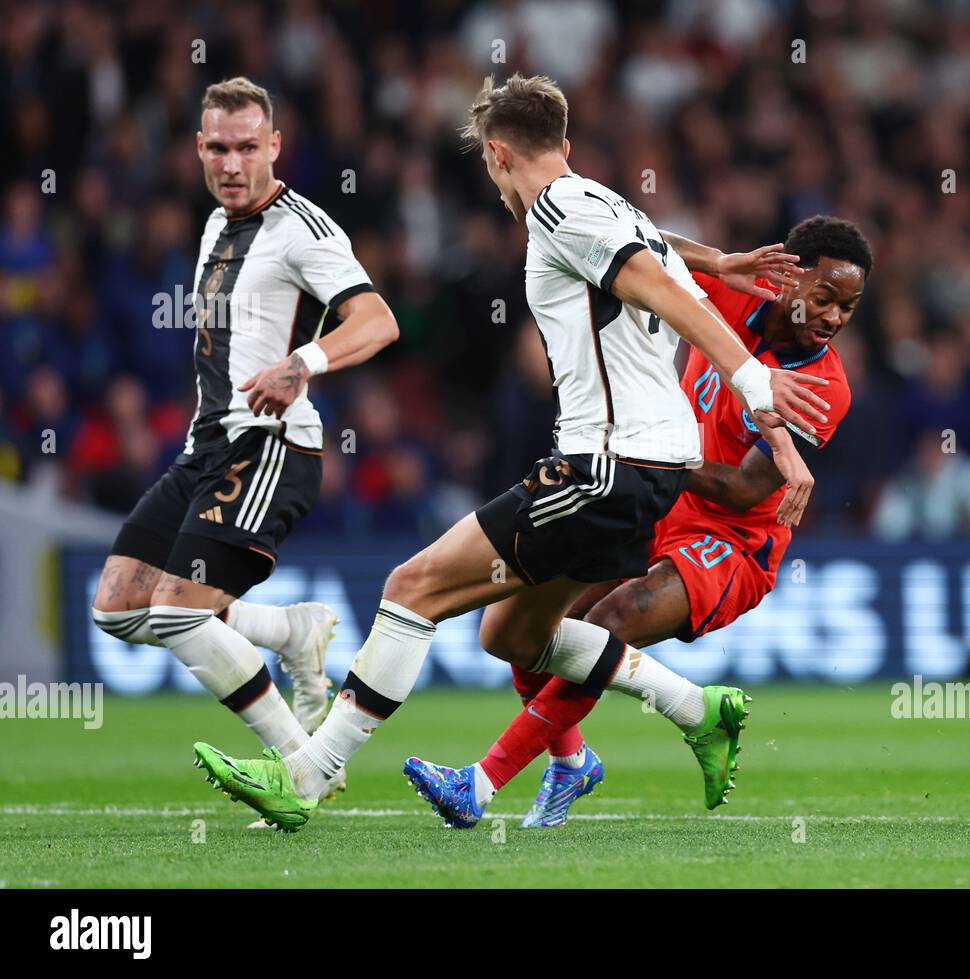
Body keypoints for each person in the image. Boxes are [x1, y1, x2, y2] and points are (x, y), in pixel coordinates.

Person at [192, 73, 831, 832]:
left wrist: (756, 384)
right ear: (562, 144)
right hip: (647, 475)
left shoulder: (561, 211)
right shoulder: (600, 200)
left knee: (412, 585)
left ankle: (306, 774)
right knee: (512, 635)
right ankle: (697, 707)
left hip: (604, 467)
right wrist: (718, 260)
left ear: (497, 155)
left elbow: (655, 282)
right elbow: (654, 250)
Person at [487, 216, 871, 826]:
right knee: (534, 620)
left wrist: (647, 450)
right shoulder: (732, 292)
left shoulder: (823, 386)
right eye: (824, 298)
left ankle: (483, 781)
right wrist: (718, 260)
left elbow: (745, 489)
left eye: (848, 307)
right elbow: (635, 239)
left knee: (610, 621)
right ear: (788, 278)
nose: (833, 318)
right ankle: (571, 763)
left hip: (734, 544)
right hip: (657, 503)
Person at [90, 77, 399, 787]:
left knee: (174, 615)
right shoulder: (215, 225)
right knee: (116, 608)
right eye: (220, 149)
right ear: (199, 148)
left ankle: (304, 770)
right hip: (207, 448)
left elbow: (379, 320)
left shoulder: (305, 230)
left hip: (271, 445)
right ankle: (291, 631)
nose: (233, 165)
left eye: (248, 148)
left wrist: (303, 362)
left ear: (275, 146)